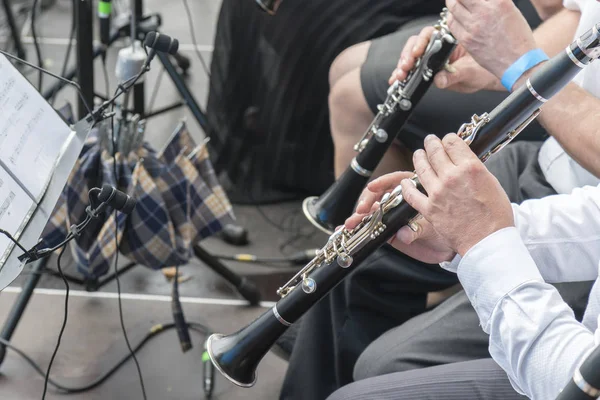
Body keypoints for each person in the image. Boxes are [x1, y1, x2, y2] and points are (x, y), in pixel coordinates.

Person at [280, 0, 600, 399]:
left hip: (576, 205)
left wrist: (523, 66)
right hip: (558, 170)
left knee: (379, 368)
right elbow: (579, 19)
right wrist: (495, 61)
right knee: (365, 251)